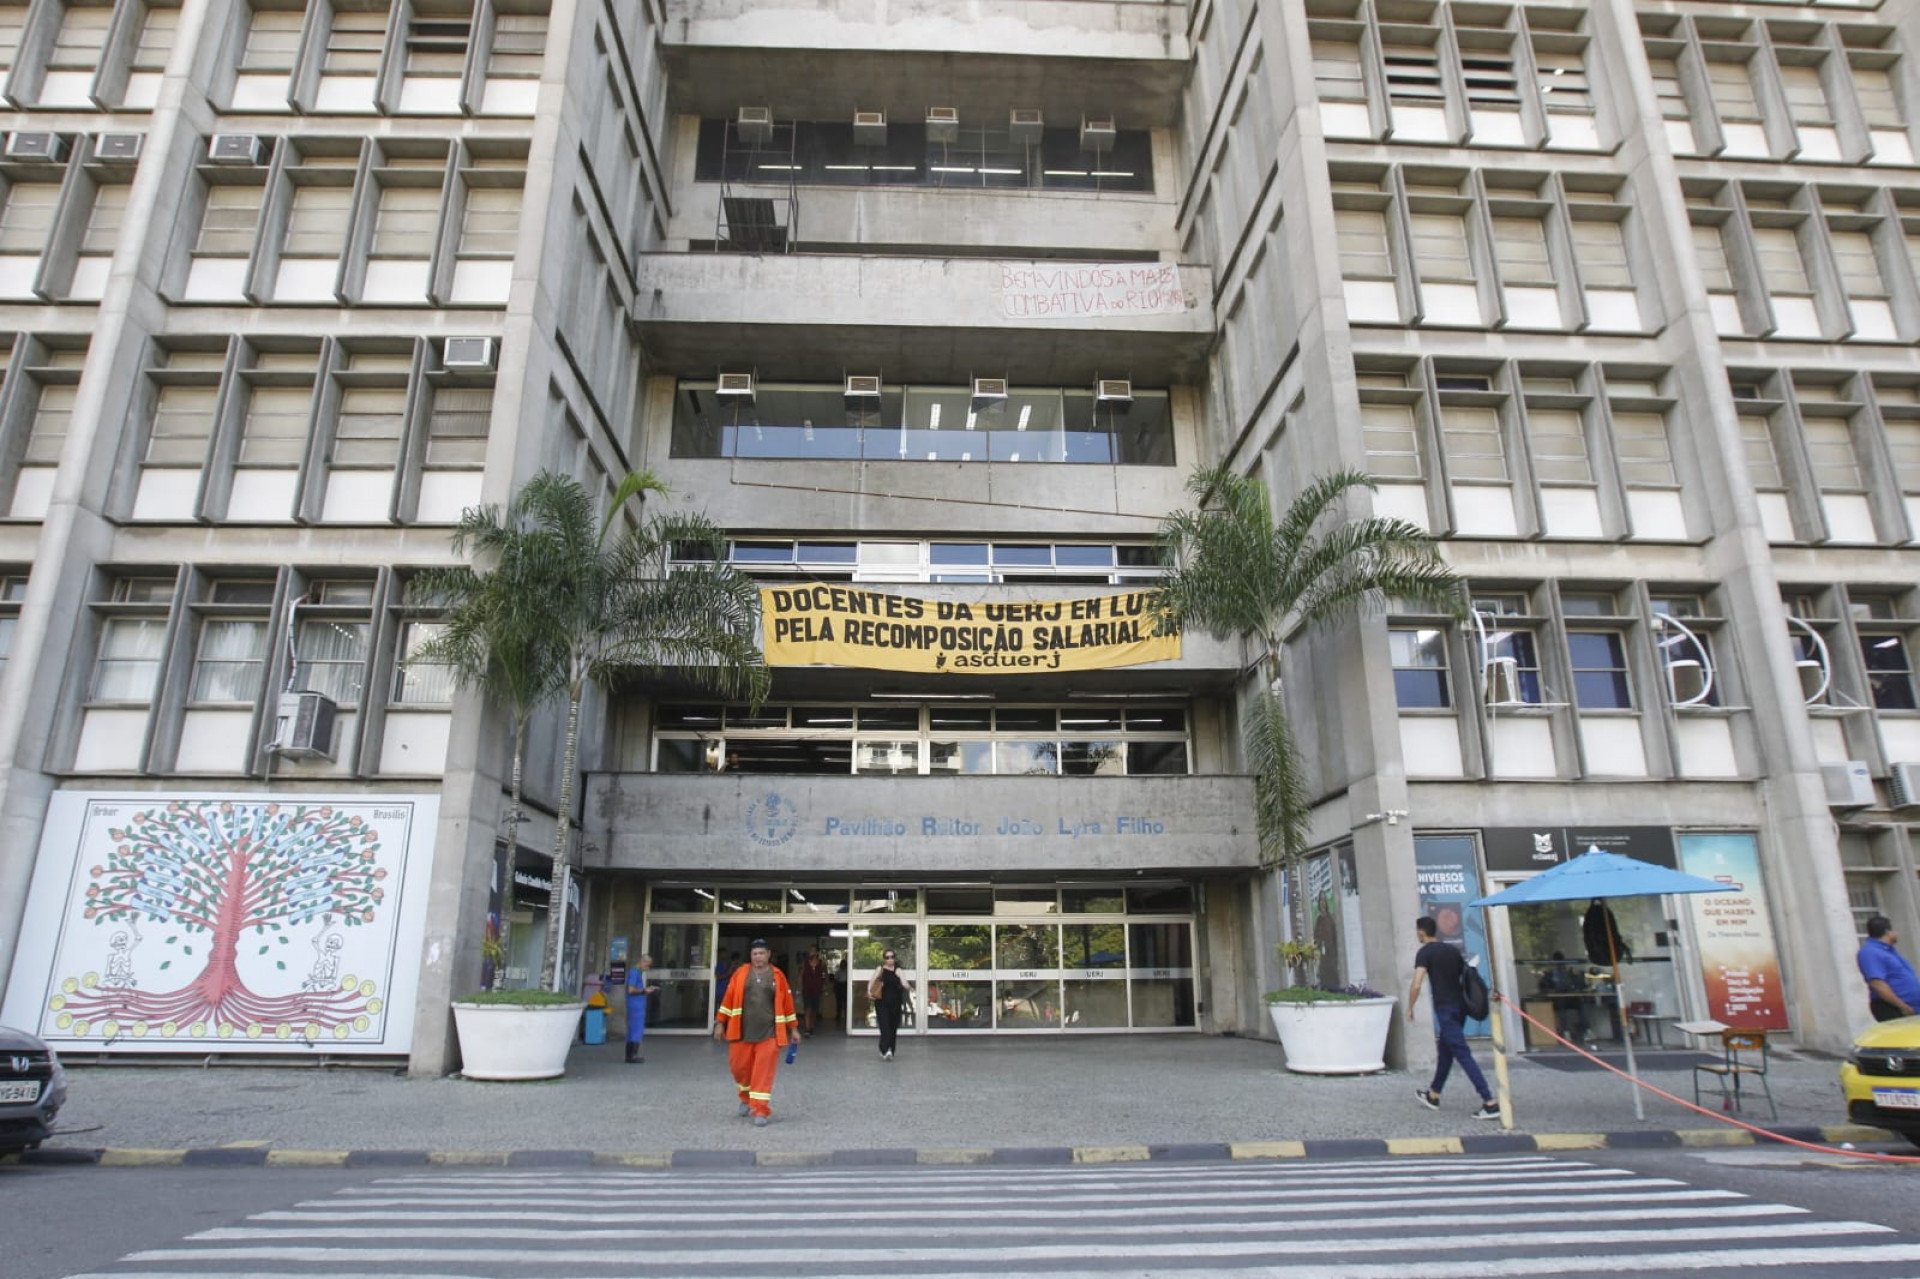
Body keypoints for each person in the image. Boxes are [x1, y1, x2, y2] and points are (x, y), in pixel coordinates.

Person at [1408, 915, 1500, 1120]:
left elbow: (1416, 983)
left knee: (1461, 1053)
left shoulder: (1425, 953)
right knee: (1446, 1052)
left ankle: (1489, 1101)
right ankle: (1434, 1094)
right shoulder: (1452, 950)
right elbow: (1463, 977)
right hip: (1460, 1008)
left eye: (1417, 931)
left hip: (1445, 1009)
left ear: (1421, 931)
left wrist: (1410, 1006)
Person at [713, 938, 801, 1126]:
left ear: (768, 955)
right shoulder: (740, 974)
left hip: (769, 1034)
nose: (758, 957)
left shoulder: (778, 976)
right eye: (755, 954)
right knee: (739, 1069)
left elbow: (787, 1004)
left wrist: (793, 1029)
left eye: (761, 953)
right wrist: (720, 1022)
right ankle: (745, 1096)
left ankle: (761, 1109)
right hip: (741, 1032)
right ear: (750, 956)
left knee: (763, 1071)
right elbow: (728, 1000)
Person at [1858, 915, 1920, 1022]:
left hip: (1910, 1007)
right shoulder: (1870, 952)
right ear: (1887, 931)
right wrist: (1903, 1007)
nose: (1896, 933)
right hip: (1893, 1007)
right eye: (1894, 930)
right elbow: (1878, 984)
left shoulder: (1888, 950)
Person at [872, 948, 912, 1060]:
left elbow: (904, 982)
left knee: (893, 1026)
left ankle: (890, 1048)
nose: (890, 959)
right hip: (881, 1002)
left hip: (895, 1002)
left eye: (892, 957)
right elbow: (872, 981)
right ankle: (885, 1050)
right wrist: (869, 991)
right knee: (885, 1025)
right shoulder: (880, 969)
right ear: (884, 959)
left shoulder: (898, 970)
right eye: (887, 957)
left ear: (895, 958)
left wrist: (910, 987)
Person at [624, 953, 659, 1064]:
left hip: (635, 1005)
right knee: (636, 1030)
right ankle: (632, 1056)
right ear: (641, 962)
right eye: (647, 965)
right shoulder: (634, 972)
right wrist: (644, 991)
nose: (647, 968)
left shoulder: (636, 972)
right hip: (636, 1006)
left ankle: (629, 1055)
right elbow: (631, 989)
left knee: (633, 1030)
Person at [799, 948, 827, 1036]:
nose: (810, 952)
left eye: (812, 950)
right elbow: (800, 976)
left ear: (817, 952)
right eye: (810, 950)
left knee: (814, 1010)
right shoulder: (805, 964)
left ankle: (811, 1026)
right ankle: (807, 1029)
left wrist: (825, 986)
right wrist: (798, 989)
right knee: (807, 1009)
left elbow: (825, 976)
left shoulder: (822, 964)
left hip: (817, 991)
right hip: (807, 990)